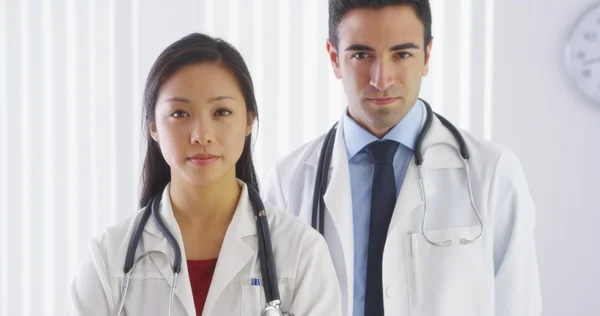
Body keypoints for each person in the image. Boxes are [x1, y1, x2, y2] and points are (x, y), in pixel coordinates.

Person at [262, 1, 542, 315]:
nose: (381, 79)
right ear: (334, 58)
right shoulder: (288, 182)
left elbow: (518, 304)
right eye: (362, 55)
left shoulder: (491, 172)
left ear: (427, 56)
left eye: (402, 54)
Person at [69, 33, 342, 316]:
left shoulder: (300, 252)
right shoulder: (108, 259)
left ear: (249, 120)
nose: (201, 135)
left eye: (221, 112)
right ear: (153, 128)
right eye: (180, 113)